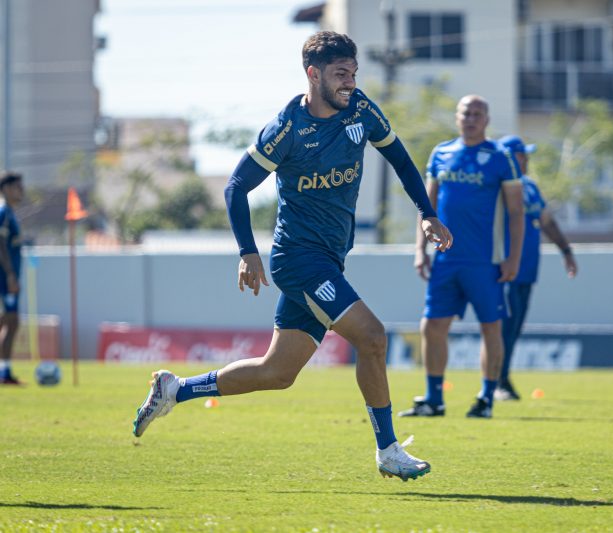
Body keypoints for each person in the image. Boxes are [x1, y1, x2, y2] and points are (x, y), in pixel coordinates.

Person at [131, 31, 452, 482]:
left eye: (354, 74)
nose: (350, 83)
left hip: (329, 258)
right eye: (341, 75)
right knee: (373, 338)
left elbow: (399, 158)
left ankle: (174, 389)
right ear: (313, 74)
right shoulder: (287, 128)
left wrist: (427, 213)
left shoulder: (361, 109)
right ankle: (388, 450)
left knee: (278, 372)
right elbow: (236, 187)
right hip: (299, 261)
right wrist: (247, 252)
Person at [399, 95, 524, 420]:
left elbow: (516, 211)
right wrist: (420, 250)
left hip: (486, 262)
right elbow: (426, 208)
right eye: (466, 113)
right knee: (432, 326)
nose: (471, 118)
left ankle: (485, 398)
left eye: (478, 113)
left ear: (487, 119)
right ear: (457, 117)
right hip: (445, 260)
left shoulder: (501, 157)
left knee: (490, 328)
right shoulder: (441, 153)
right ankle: (434, 398)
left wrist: (513, 259)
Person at [494, 136, 577, 401]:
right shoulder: (495, 188)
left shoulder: (529, 186)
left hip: (527, 270)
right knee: (503, 327)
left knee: (515, 326)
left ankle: (502, 378)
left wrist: (566, 251)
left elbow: (547, 222)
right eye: (522, 154)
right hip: (504, 269)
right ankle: (497, 382)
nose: (527, 160)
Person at [0, 171, 24, 385]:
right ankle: (3, 372)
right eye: (18, 186)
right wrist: (9, 275)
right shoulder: (3, 212)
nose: (22, 190)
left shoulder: (11, 213)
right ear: (6, 188)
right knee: (9, 320)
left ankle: (4, 372)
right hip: (5, 279)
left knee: (13, 322)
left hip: (10, 278)